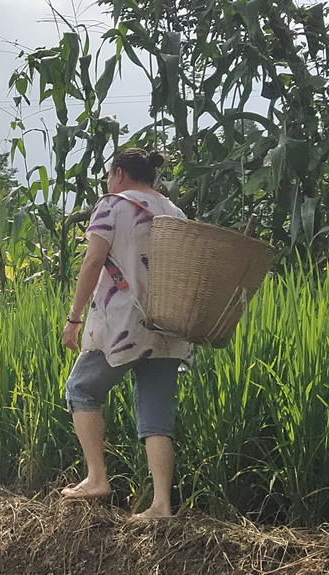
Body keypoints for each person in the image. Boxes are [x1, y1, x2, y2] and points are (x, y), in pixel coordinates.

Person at [61, 148, 194, 519]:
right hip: (169, 325)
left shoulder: (113, 205)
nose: (108, 182)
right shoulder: (175, 212)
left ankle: (96, 478)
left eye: (108, 175)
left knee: (81, 389)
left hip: (123, 324)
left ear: (119, 173)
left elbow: (93, 260)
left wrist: (74, 318)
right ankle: (161, 505)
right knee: (156, 417)